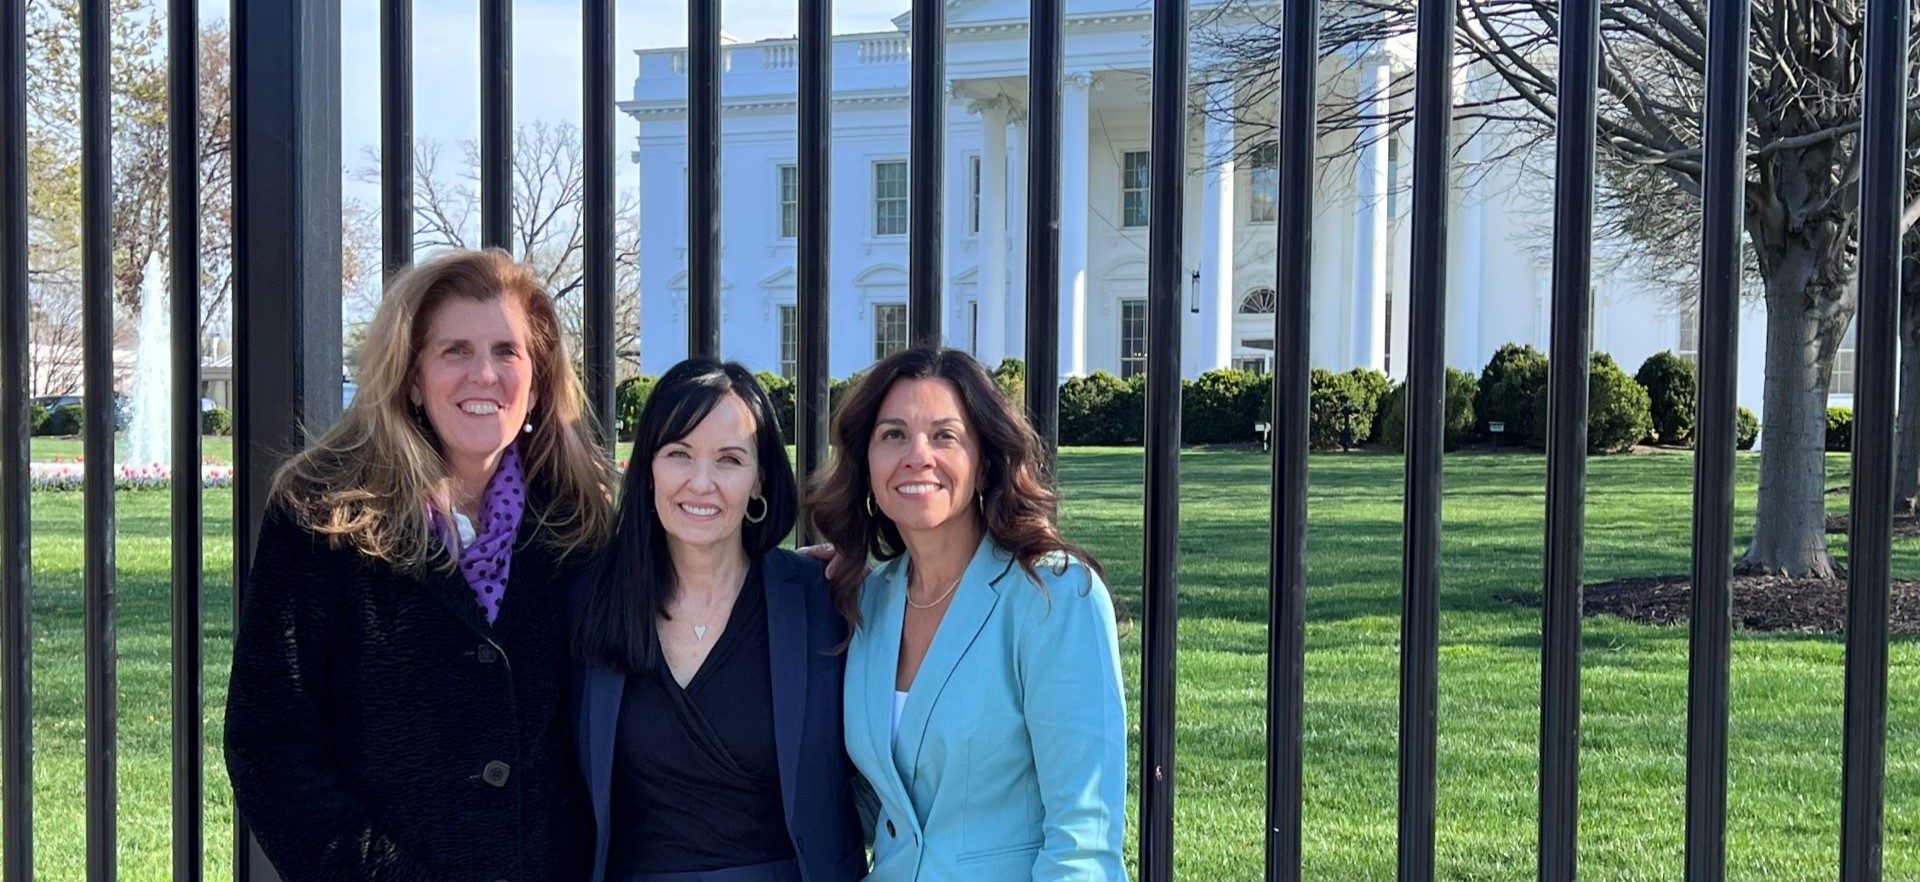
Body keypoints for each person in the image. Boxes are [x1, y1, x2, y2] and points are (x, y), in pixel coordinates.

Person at [224, 248, 616, 881]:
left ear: (538, 381)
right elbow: (269, 742)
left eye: (506, 351)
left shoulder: (578, 524)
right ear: (411, 377)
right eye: (454, 350)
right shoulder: (321, 517)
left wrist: (812, 573)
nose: (483, 375)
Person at [810, 346, 1129, 881]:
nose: (917, 455)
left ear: (983, 464)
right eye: (892, 435)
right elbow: (876, 806)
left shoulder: (1054, 597)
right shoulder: (868, 602)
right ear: (867, 464)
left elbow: (1084, 843)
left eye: (944, 436)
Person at [571, 358, 866, 882]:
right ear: (648, 472)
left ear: (760, 481)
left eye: (729, 460)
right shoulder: (590, 601)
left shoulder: (821, 601)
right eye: (679, 454)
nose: (701, 482)